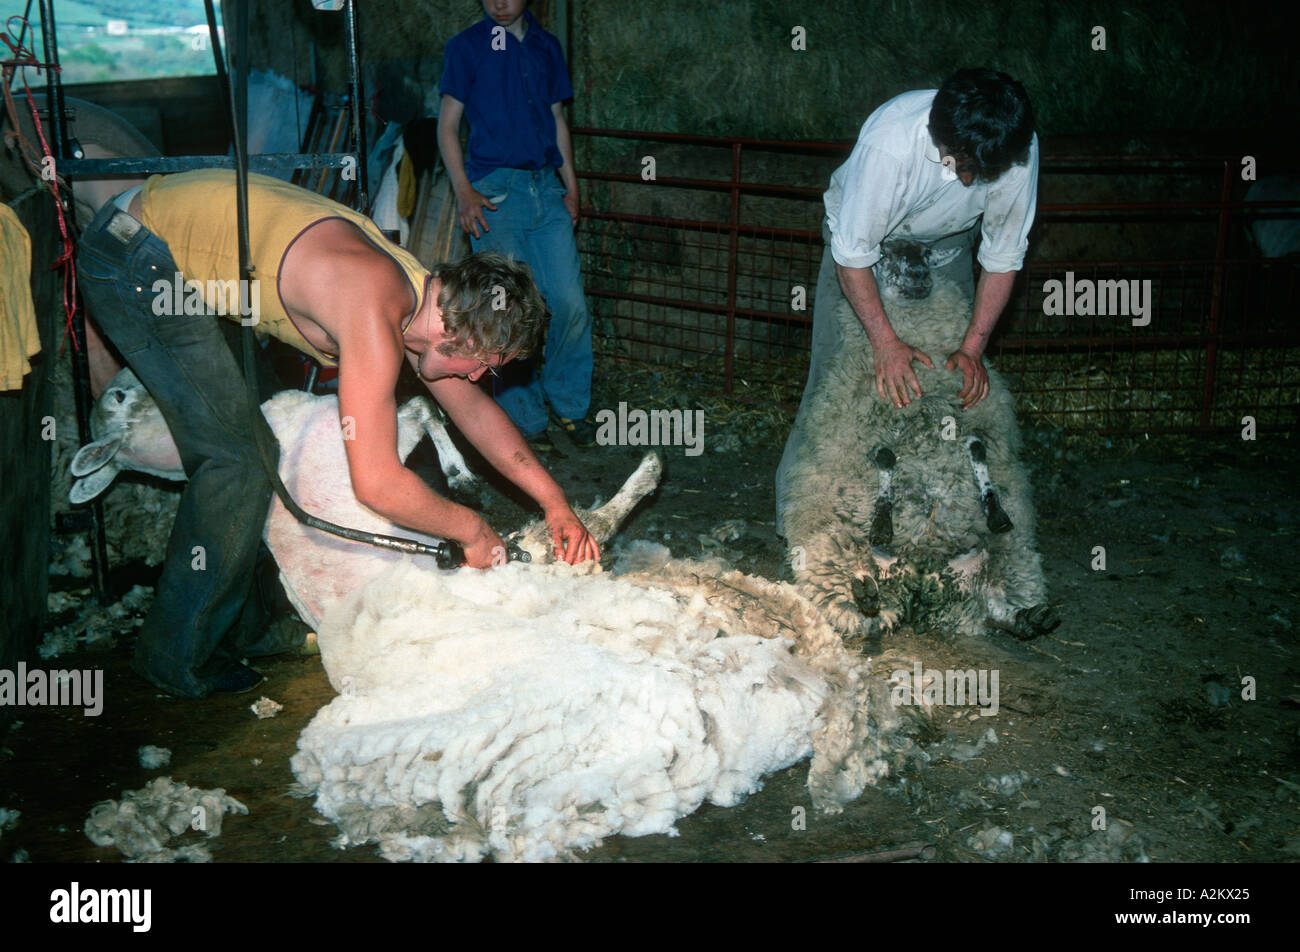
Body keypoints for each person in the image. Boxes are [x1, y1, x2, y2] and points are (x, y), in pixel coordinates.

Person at [75, 168, 599, 698]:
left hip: (173, 247)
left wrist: (554, 502)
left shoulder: (424, 302)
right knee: (235, 459)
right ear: (455, 333)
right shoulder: (373, 307)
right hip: (135, 252)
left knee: (260, 446)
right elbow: (376, 484)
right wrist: (472, 531)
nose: (481, 377)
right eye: (487, 363)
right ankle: (174, 656)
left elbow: (476, 413)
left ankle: (244, 626)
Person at [775, 68, 1038, 534]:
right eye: (956, 161)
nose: (966, 179)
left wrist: (972, 349)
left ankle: (935, 527)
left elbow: (1002, 255)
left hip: (948, 246)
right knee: (838, 386)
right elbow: (853, 253)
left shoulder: (1015, 150)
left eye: (980, 170)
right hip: (862, 250)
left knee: (947, 386)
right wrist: (884, 343)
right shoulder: (890, 142)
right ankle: (806, 529)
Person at [437, 0, 597, 450]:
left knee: (569, 303)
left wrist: (572, 187)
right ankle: (525, 420)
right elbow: (447, 127)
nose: (499, 3)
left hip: (544, 189)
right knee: (507, 310)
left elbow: (556, 119)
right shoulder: (466, 47)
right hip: (495, 193)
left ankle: (569, 406)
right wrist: (464, 190)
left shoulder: (547, 46)